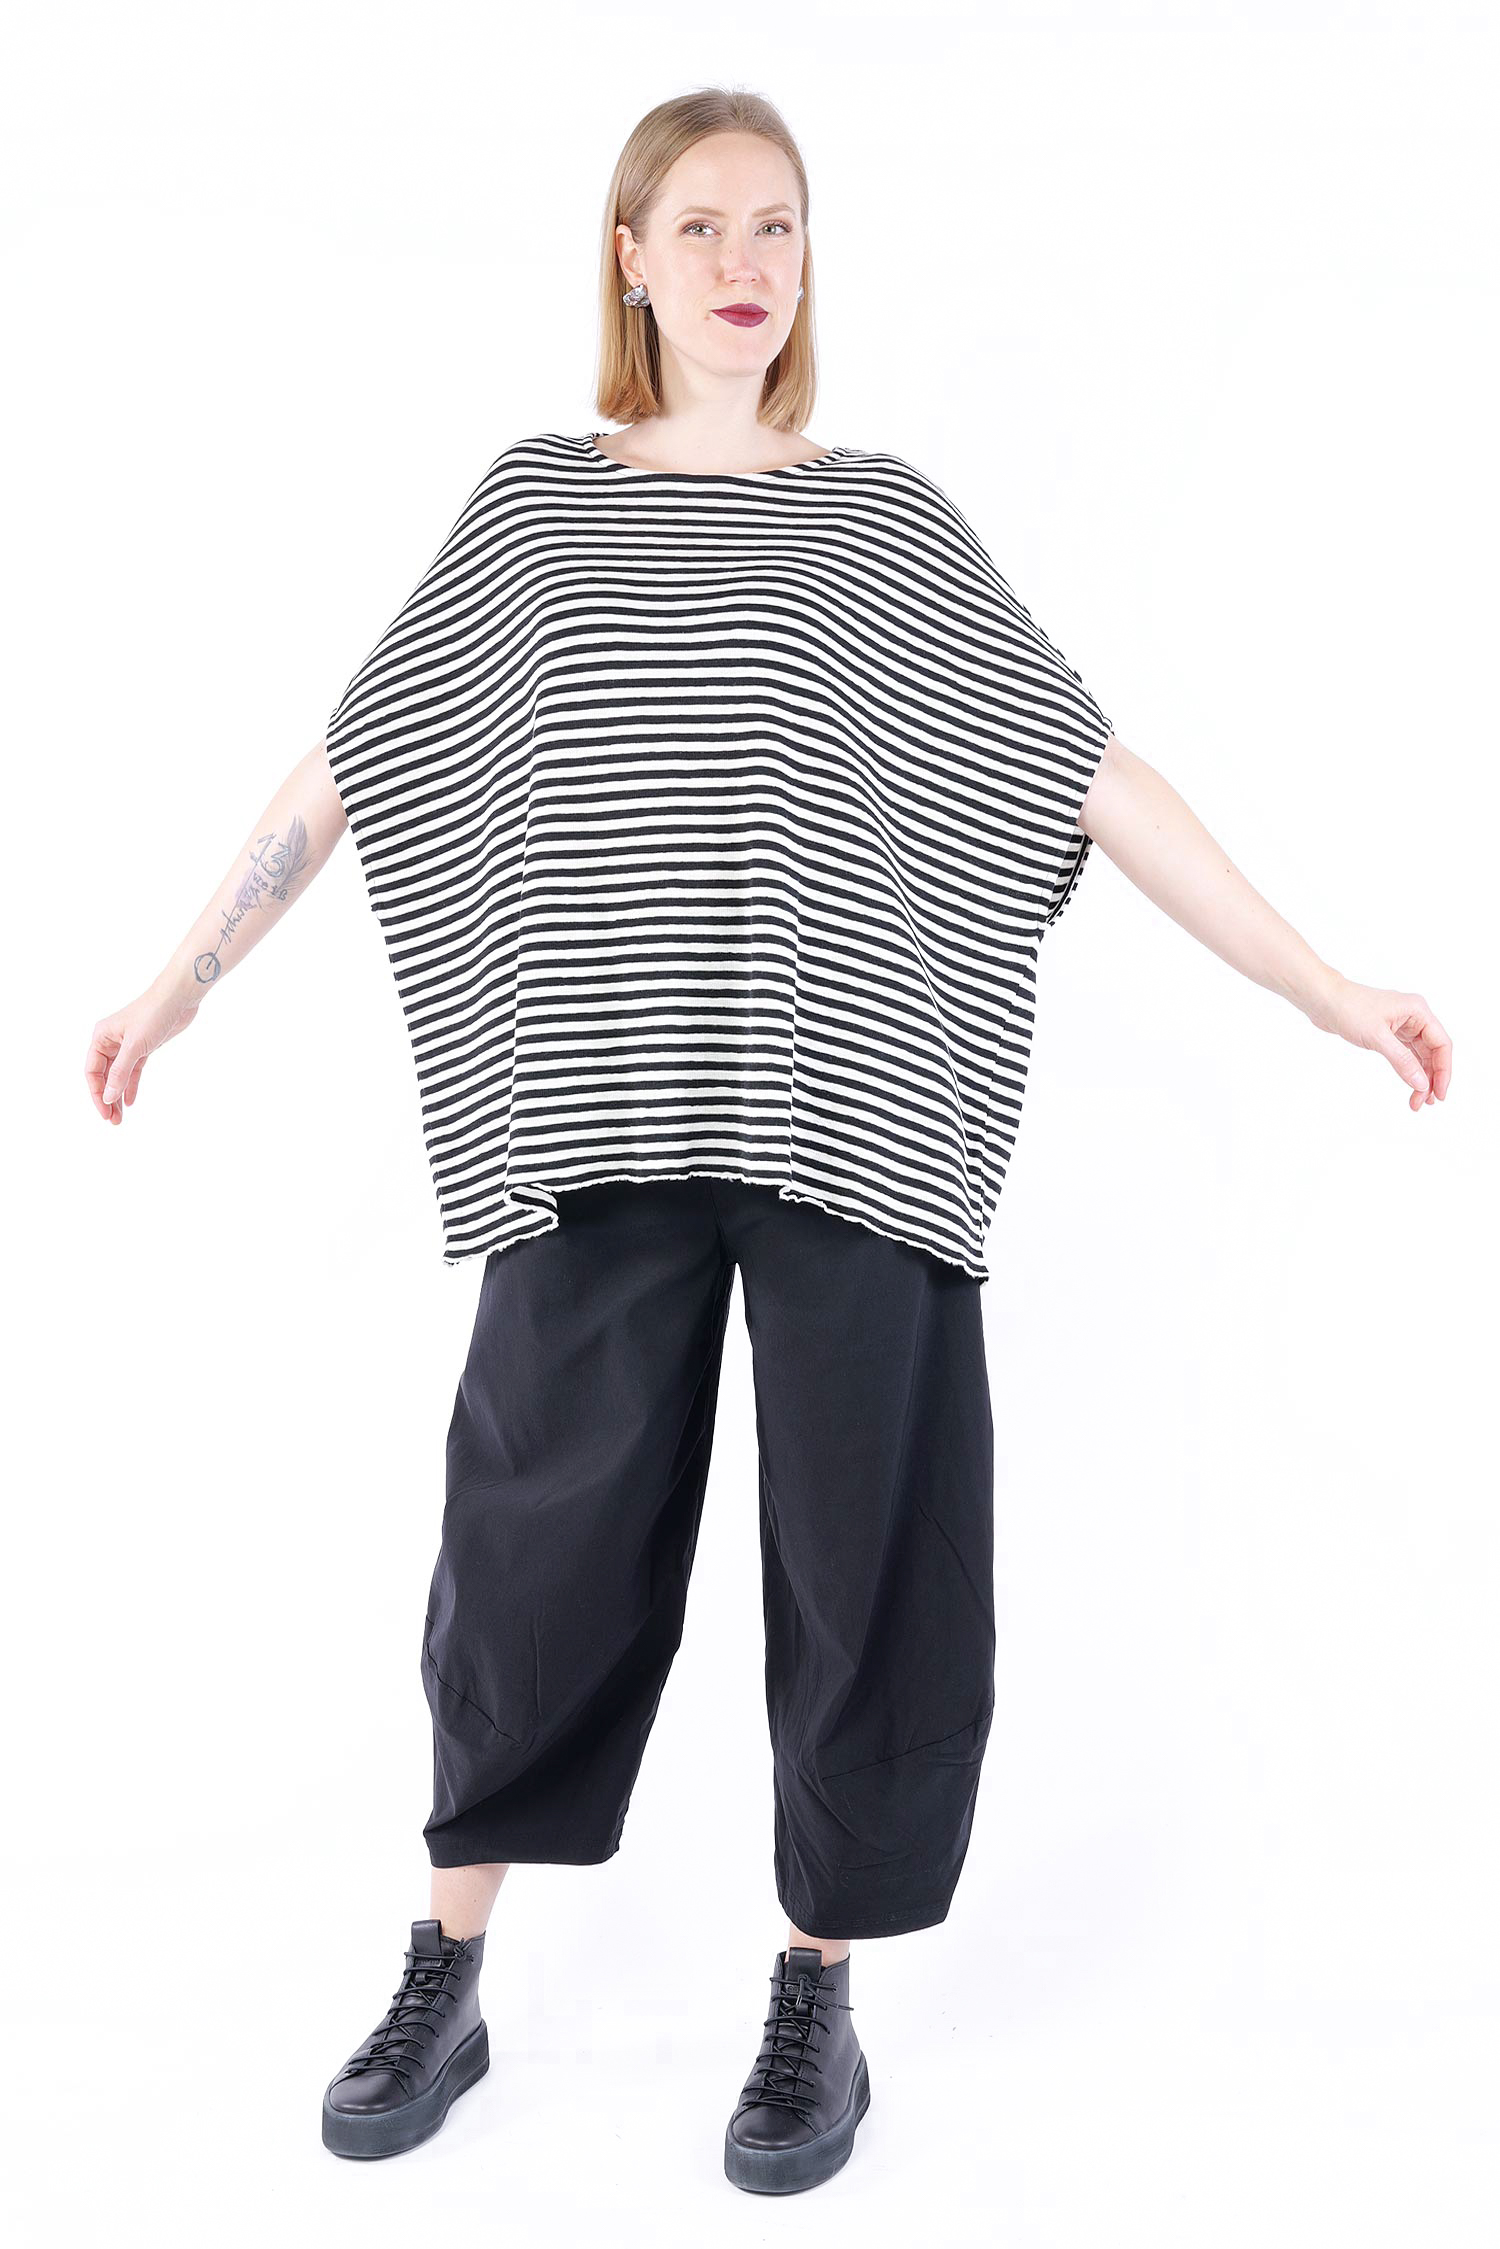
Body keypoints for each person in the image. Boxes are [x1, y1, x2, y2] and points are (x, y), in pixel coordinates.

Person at [84, 86, 1452, 2198]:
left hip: (854, 1106)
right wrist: (185, 974)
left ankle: (819, 1994)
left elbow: (1089, 768)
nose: (747, 263)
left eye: (781, 228)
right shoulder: (535, 506)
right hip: (596, 1112)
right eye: (706, 225)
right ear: (630, 258)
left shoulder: (881, 518)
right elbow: (357, 755)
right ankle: (447, 1969)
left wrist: (1323, 984)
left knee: (863, 1554)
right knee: (530, 1544)